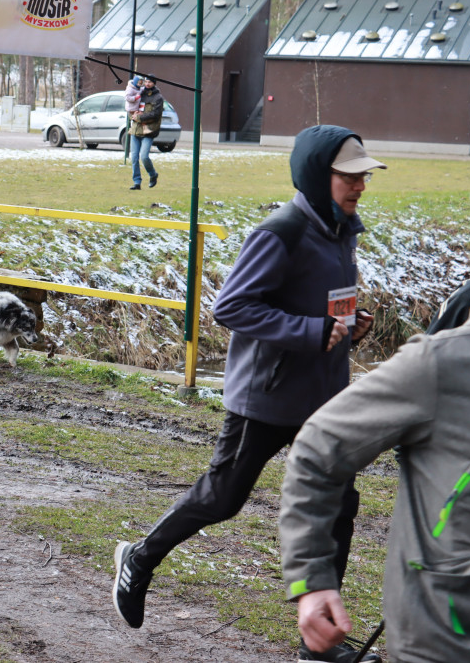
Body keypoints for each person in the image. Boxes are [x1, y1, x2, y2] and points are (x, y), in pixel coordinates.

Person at [112, 125, 386, 663]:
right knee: (223, 497)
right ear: (316, 175)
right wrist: (310, 332)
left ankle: (318, 641)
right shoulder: (280, 231)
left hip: (326, 398)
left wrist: (349, 324)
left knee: (337, 510)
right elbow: (231, 306)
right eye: (348, 176)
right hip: (268, 396)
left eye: (362, 177)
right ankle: (139, 559)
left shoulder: (341, 230)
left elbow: (322, 300)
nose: (359, 186)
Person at [279, 295, 470, 662]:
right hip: (448, 635)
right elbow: (318, 448)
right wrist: (310, 580)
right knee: (225, 491)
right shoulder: (442, 363)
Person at [125, 75, 162, 190]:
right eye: (146, 82)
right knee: (134, 158)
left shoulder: (158, 97)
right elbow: (130, 106)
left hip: (148, 131)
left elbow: (155, 114)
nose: (147, 84)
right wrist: (132, 115)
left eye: (150, 82)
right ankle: (137, 182)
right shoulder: (139, 93)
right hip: (136, 129)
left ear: (154, 83)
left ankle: (153, 174)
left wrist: (140, 118)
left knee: (144, 157)